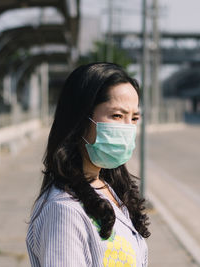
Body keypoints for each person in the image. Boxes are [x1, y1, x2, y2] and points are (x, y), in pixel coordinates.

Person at [26, 62, 150, 267]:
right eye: (117, 116)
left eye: (134, 118)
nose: (128, 129)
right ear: (81, 119)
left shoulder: (107, 188)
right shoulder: (64, 211)